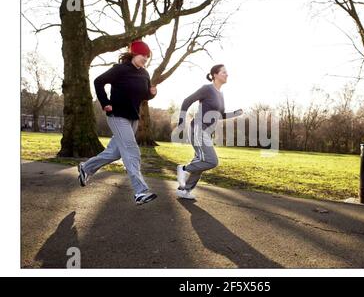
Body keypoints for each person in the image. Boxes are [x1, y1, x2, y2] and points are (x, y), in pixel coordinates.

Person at [77, 40, 158, 205]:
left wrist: (152, 94)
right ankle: (140, 191)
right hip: (117, 116)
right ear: (134, 53)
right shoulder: (119, 69)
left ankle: (86, 168)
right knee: (132, 150)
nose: (145, 58)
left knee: (114, 153)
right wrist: (105, 102)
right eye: (143, 55)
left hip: (133, 118)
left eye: (147, 56)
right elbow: (98, 82)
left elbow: (144, 95)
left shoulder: (145, 74)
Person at [176, 64, 243, 199]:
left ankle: (184, 190)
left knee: (202, 161)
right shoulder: (207, 89)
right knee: (211, 161)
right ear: (215, 75)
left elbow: (220, 115)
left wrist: (235, 114)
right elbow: (186, 101)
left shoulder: (220, 95)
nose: (227, 74)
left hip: (206, 132)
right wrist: (181, 121)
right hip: (198, 129)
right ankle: (184, 169)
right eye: (224, 72)